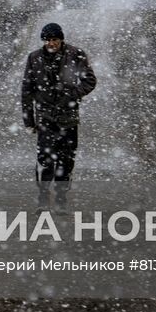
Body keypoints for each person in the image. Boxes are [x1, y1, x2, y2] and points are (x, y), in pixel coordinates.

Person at [21, 22, 97, 207]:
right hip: (45, 117)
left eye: (54, 39)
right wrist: (29, 119)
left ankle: (61, 195)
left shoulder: (75, 54)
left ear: (61, 39)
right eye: (47, 40)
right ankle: (43, 196)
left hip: (68, 117)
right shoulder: (34, 58)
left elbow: (90, 80)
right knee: (45, 159)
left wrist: (72, 94)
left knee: (66, 159)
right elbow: (27, 90)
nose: (51, 43)